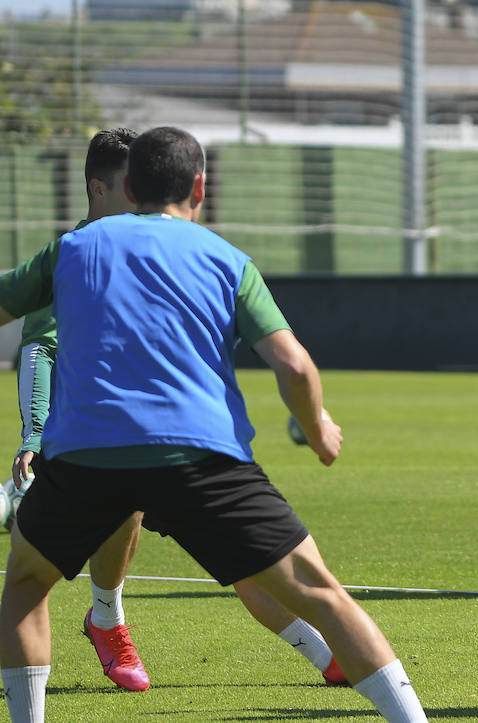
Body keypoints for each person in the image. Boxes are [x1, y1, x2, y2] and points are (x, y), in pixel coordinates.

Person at [0, 127, 426, 722]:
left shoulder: (74, 248)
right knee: (321, 592)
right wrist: (319, 427)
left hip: (89, 457)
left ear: (128, 185)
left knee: (24, 582)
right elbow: (294, 364)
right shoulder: (227, 259)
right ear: (200, 187)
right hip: (200, 456)